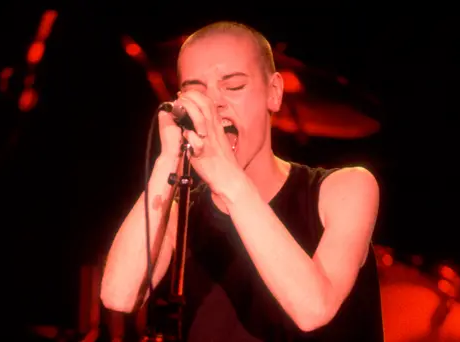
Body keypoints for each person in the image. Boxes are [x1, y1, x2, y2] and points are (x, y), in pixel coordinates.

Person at [100, 21, 384, 341]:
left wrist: (227, 178)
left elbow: (313, 309)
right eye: (196, 90)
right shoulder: (181, 209)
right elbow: (118, 297)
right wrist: (167, 160)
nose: (213, 104)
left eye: (233, 87)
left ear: (274, 93)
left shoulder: (345, 188)